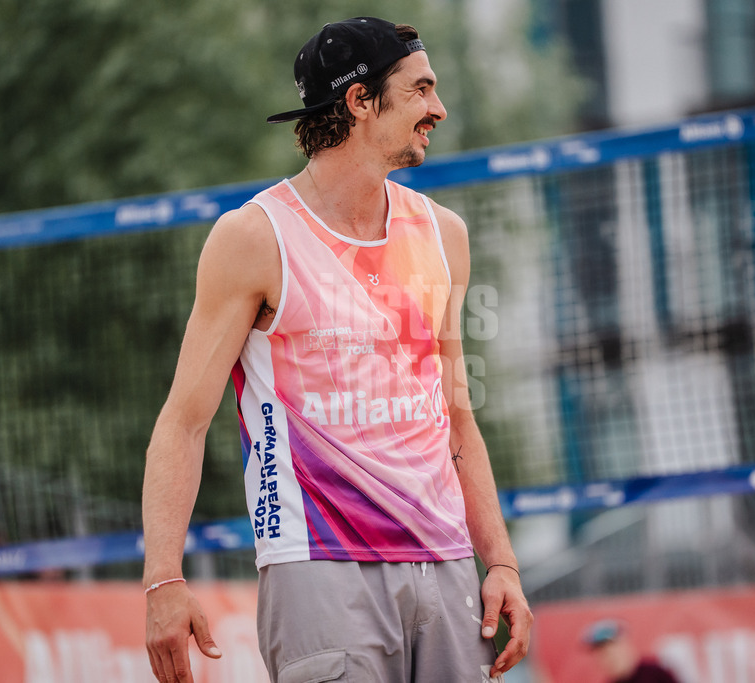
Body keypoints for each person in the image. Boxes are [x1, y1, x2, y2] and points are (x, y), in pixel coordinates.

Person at [142, 16, 533, 683]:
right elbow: (184, 420)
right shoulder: (255, 238)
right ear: (359, 101)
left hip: (442, 563)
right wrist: (162, 581)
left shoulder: (443, 234)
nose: (438, 108)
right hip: (319, 566)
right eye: (419, 90)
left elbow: (457, 416)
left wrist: (500, 560)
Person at [583, 619, 680, 683]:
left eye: (610, 651)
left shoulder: (656, 674)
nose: (608, 658)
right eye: (601, 654)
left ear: (625, 645)